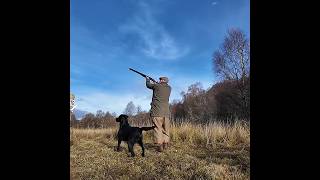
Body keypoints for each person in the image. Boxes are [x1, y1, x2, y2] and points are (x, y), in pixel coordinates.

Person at [145, 76, 171, 152]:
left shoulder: (156, 86)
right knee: (166, 129)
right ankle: (165, 144)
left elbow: (148, 85)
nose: (159, 80)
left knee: (157, 128)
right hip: (166, 113)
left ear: (163, 80)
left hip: (157, 112)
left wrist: (147, 79)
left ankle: (159, 146)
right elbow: (161, 88)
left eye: (160, 79)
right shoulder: (169, 88)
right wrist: (156, 83)